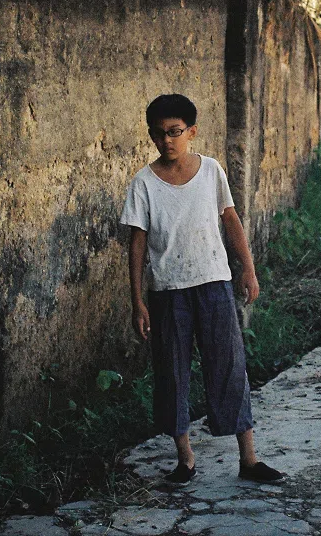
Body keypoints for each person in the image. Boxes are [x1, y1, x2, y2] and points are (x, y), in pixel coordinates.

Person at [121, 94, 283, 485]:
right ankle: (186, 459)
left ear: (191, 132)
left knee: (229, 367)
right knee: (173, 373)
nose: (168, 141)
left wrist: (248, 268)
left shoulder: (211, 171)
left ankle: (248, 458)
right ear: (151, 136)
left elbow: (230, 219)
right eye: (159, 134)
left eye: (175, 132)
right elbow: (137, 244)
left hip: (214, 282)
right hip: (168, 291)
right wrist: (137, 300)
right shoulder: (143, 183)